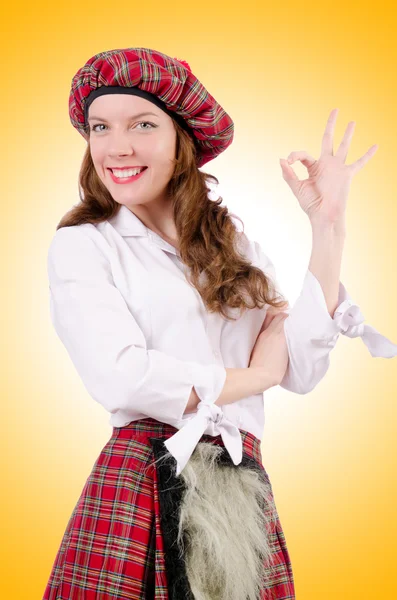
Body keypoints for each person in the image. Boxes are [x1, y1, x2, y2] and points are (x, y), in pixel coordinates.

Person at [42, 47, 397, 600]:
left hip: (239, 479)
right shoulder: (84, 244)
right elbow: (123, 377)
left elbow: (299, 369)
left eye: (142, 124)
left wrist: (328, 225)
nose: (117, 146)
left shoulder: (230, 243)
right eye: (100, 127)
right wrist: (253, 377)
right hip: (144, 478)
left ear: (182, 139)